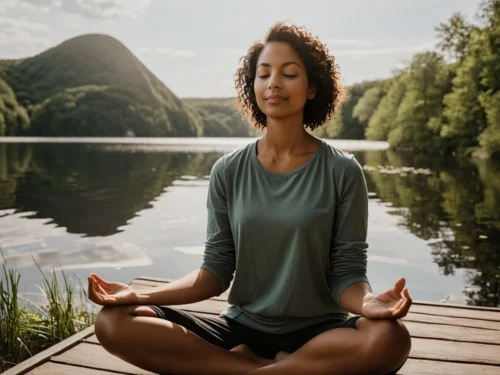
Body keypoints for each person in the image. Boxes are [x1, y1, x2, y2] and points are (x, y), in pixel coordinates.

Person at [88, 21, 412, 375]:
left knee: (390, 339)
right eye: (263, 73)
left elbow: (346, 274)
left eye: (289, 73)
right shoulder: (227, 170)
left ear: (313, 88)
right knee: (113, 322)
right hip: (240, 329)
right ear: (253, 85)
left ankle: (242, 369)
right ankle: (279, 369)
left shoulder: (342, 171)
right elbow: (215, 271)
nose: (273, 82)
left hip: (321, 335)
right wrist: (139, 296)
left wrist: (367, 303)